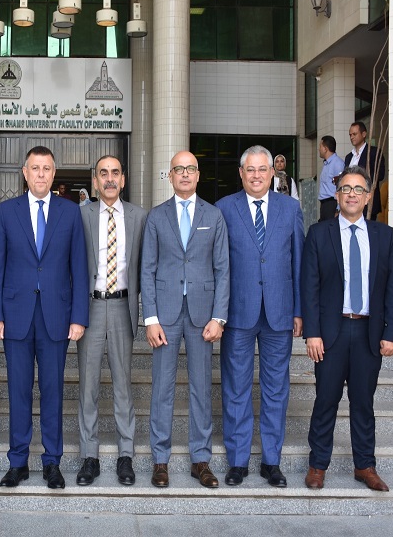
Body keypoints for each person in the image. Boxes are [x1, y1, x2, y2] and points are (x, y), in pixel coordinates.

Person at [0, 145, 89, 489]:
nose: (41, 174)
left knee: (52, 390)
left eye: (47, 168)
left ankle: (51, 462)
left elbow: (79, 267)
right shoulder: (5, 212)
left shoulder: (70, 212)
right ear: (25, 172)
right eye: (35, 168)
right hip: (15, 315)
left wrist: (79, 317)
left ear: (54, 172)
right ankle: (17, 462)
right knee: (18, 390)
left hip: (56, 316)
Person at [301, 165, 393, 492]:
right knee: (325, 400)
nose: (352, 194)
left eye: (359, 189)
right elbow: (310, 287)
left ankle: (365, 465)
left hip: (368, 333)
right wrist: (312, 332)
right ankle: (318, 465)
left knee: (363, 402)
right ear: (337, 194)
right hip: (330, 333)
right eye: (346, 188)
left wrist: (392, 333)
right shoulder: (319, 233)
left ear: (368, 196)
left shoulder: (384, 235)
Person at [215, 145, 304, 488]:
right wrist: (218, 314)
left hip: (279, 312)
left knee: (276, 389)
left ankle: (271, 461)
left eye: (262, 169)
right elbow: (219, 266)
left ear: (272, 173)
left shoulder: (291, 208)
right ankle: (238, 461)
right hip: (238, 312)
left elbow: (298, 263)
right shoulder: (224, 208)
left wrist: (299, 311)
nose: (256, 175)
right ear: (241, 173)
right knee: (235, 387)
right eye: (249, 169)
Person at [140, 151, 230, 489]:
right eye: (179, 169)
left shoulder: (214, 215)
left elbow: (223, 269)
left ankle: (200, 460)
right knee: (161, 388)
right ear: (170, 176)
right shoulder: (156, 217)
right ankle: (160, 460)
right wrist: (149, 318)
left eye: (190, 169)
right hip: (164, 315)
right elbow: (147, 270)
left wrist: (219, 317)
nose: (185, 174)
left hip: (202, 315)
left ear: (198, 174)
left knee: (201, 389)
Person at [76, 156, 147, 487]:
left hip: (122, 308)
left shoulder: (139, 217)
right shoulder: (81, 215)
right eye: (102, 173)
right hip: (90, 308)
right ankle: (89, 455)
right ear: (94, 180)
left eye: (115, 173)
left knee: (123, 385)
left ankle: (125, 455)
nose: (108, 179)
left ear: (124, 178)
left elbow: (146, 267)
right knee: (88, 386)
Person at [345, 122, 385, 221]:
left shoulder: (373, 152)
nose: (352, 137)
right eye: (350, 135)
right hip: (351, 203)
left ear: (363, 134)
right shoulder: (349, 157)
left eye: (354, 134)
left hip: (368, 202)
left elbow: (380, 175)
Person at [318, 135, 345, 221]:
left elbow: (341, 187)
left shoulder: (337, 164)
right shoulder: (326, 164)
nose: (319, 149)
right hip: (325, 205)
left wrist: (338, 209)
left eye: (320, 146)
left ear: (325, 149)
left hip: (332, 204)